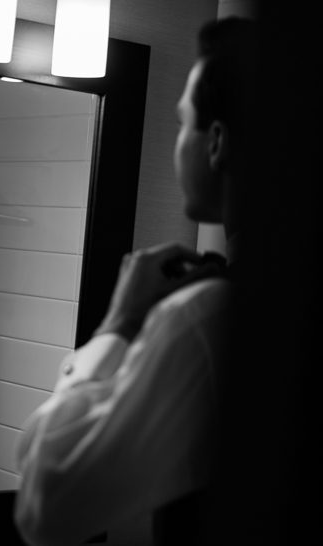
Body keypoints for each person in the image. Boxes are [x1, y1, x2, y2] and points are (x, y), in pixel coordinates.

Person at [13, 17, 258, 546]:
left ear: (215, 142)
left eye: (181, 122)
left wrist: (120, 324)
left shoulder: (205, 317)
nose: (177, 146)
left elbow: (48, 506)